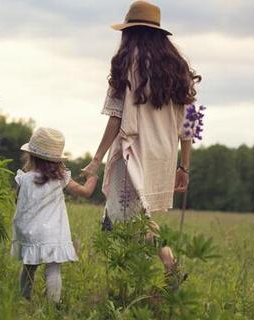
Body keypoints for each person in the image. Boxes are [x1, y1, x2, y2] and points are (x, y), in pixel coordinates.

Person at [82, 0, 201, 286]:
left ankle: (167, 264)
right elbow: (188, 127)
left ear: (130, 33)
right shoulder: (177, 69)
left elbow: (115, 117)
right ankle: (139, 280)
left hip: (133, 150)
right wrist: (183, 167)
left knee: (126, 217)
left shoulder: (126, 65)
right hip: (163, 154)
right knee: (131, 217)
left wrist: (97, 159)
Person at [11, 127, 98, 303]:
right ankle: (54, 304)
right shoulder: (60, 178)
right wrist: (92, 177)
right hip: (54, 233)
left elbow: (17, 200)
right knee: (53, 269)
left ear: (31, 156)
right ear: (56, 160)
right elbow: (86, 192)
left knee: (29, 266)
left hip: (30, 232)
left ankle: (24, 300)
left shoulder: (24, 178)